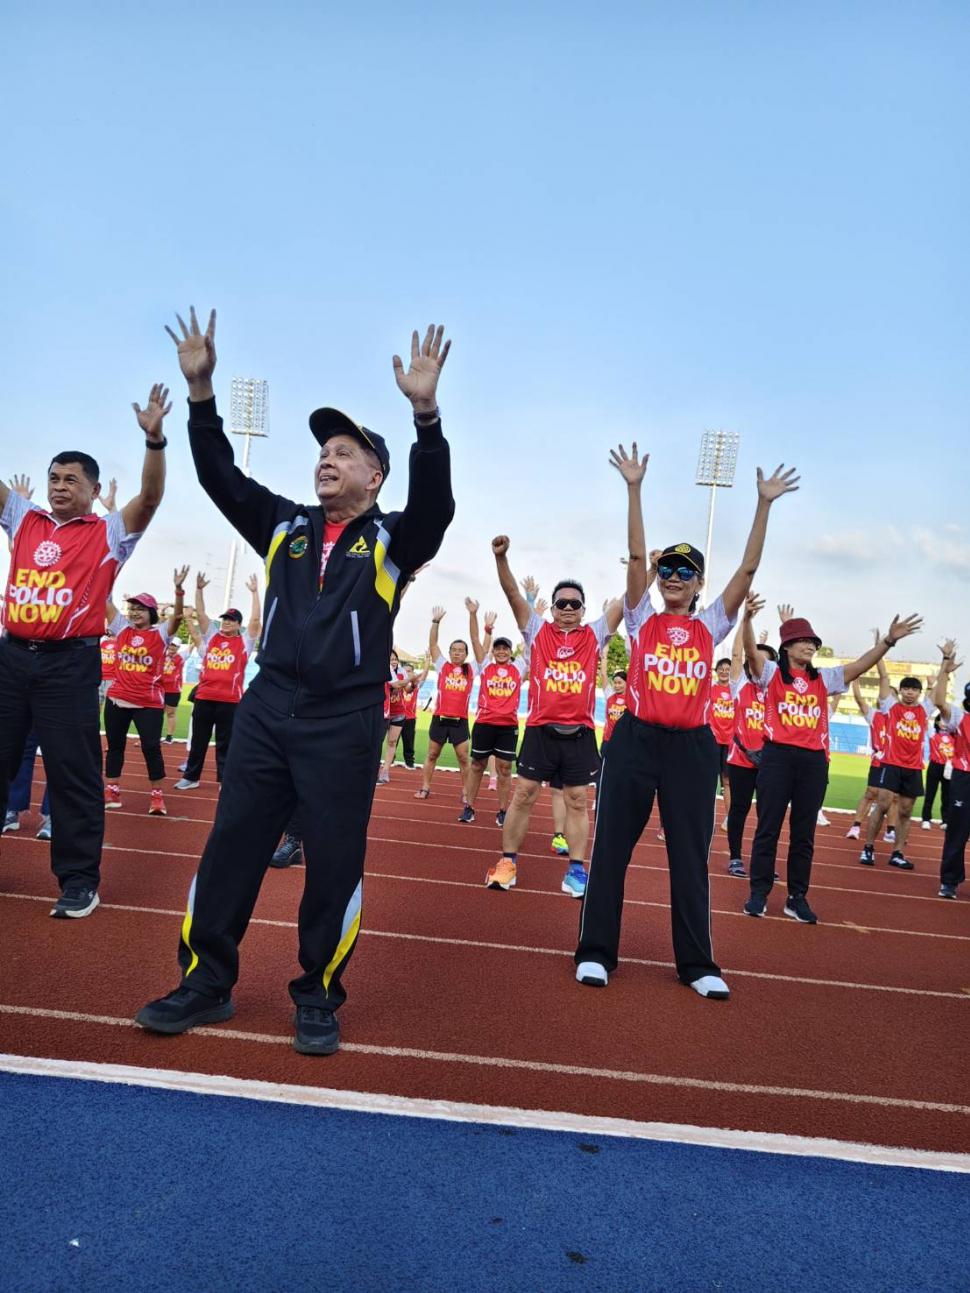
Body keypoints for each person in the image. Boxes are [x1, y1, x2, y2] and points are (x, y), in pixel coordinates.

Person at [136, 309, 453, 1057]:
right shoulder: (284, 525)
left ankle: (317, 995)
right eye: (323, 451)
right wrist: (202, 394)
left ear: (375, 476)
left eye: (344, 452)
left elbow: (437, 508)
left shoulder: (393, 540)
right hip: (267, 707)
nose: (326, 460)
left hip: (345, 719)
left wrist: (426, 418)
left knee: (334, 862)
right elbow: (219, 477)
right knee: (231, 847)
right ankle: (206, 982)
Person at [575, 446, 797, 997]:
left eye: (686, 572)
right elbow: (635, 558)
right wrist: (634, 488)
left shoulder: (712, 625)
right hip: (635, 740)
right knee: (611, 850)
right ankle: (596, 951)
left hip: (692, 749)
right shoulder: (640, 618)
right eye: (668, 570)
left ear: (698, 584)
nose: (674, 577)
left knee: (690, 858)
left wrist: (763, 505)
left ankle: (697, 964)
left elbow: (747, 570)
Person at [0, 386, 169, 918]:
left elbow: (150, 498)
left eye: (71, 480)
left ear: (95, 490)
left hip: (68, 665)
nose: (59, 486)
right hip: (11, 659)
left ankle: (78, 882)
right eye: (54, 477)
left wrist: (154, 441)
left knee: (73, 774)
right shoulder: (24, 518)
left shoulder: (109, 532)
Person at [745, 612, 921, 923]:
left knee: (804, 835)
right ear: (786, 646)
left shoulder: (823, 679)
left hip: (813, 762)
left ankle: (796, 897)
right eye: (803, 641)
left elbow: (860, 665)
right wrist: (746, 619)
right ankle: (759, 892)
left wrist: (888, 641)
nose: (810, 646)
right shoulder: (771, 673)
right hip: (777, 758)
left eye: (813, 642)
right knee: (768, 829)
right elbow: (750, 653)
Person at [488, 537, 623, 897]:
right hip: (540, 731)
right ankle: (507, 863)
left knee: (577, 800)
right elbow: (512, 593)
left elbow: (629, 602)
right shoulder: (537, 631)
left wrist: (650, 569)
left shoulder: (594, 634)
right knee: (524, 795)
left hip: (580, 733)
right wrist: (501, 558)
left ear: (583, 609)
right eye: (561, 602)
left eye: (574, 603)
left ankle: (576, 871)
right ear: (552, 608)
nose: (567, 608)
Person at [102, 569, 188, 816]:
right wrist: (109, 570)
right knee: (114, 747)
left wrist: (178, 591)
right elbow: (105, 599)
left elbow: (178, 617)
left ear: (151, 612)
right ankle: (112, 790)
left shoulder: (160, 633)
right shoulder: (121, 628)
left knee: (151, 748)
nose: (134, 612)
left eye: (140, 609)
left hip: (148, 702)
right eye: (132, 608)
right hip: (117, 699)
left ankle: (157, 796)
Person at [174, 571, 261, 789]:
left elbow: (255, 620)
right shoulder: (212, 636)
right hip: (204, 697)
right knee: (198, 741)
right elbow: (201, 613)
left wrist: (254, 593)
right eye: (225, 619)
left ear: (238, 624)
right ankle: (191, 777)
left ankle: (224, 780)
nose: (227, 623)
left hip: (229, 701)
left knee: (225, 744)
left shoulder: (244, 642)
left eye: (231, 620)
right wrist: (199, 590)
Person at [859, 658, 934, 870]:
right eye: (906, 689)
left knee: (906, 811)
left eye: (914, 689)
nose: (910, 692)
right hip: (891, 764)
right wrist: (881, 651)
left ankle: (898, 853)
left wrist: (946, 663)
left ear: (919, 693)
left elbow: (936, 693)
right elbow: (884, 677)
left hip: (914, 768)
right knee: (882, 805)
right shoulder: (891, 706)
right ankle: (868, 848)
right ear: (900, 691)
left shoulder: (925, 710)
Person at [724, 594, 775, 878]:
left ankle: (764, 862)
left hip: (773, 762)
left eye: (767, 661)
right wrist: (745, 620)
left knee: (769, 815)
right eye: (756, 658)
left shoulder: (778, 689)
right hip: (741, 760)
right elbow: (737, 654)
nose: (760, 664)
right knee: (739, 810)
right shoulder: (740, 685)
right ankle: (735, 857)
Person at [464, 601, 526, 827]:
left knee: (505, 769)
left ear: (510, 651)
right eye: (498, 648)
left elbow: (531, 641)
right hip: (484, 723)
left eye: (505, 648)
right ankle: (469, 807)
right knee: (477, 765)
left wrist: (531, 606)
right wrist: (474, 615)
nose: (501, 651)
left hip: (508, 726)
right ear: (493, 651)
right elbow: (474, 640)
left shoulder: (519, 668)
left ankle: (502, 811)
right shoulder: (485, 667)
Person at [414, 606, 473, 800]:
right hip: (440, 719)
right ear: (449, 652)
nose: (457, 653)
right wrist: (435, 622)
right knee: (432, 755)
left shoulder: (471, 669)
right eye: (454, 650)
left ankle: (466, 792)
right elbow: (433, 645)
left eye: (460, 651)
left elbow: (484, 649)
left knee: (463, 758)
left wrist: (484, 627)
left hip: (460, 721)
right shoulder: (443, 666)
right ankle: (425, 788)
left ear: (466, 654)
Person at [845, 653, 898, 841]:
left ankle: (891, 830)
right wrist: (855, 682)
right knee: (870, 793)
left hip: (896, 761)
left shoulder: (900, 715)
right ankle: (856, 827)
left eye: (891, 694)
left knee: (895, 797)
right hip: (879, 759)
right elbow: (860, 701)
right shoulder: (874, 715)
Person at [932, 644, 967, 898]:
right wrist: (945, 667)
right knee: (957, 832)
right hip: (964, 778)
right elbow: (939, 700)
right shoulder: (960, 717)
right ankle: (949, 881)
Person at [709, 655, 735, 825]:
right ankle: (706, 816)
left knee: (727, 781)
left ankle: (729, 819)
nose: (724, 672)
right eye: (721, 669)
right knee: (709, 780)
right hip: (713, 740)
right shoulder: (711, 689)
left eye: (727, 670)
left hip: (730, 742)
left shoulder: (736, 690)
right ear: (716, 671)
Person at [377, 650, 410, 783]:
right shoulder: (382, 669)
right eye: (391, 659)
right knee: (377, 742)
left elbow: (408, 689)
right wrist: (410, 679)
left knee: (392, 742)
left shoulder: (402, 672)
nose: (394, 661)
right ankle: (373, 769)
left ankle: (385, 771)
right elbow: (397, 684)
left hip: (398, 713)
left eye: (395, 659)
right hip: (383, 712)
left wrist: (413, 682)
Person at [921, 712, 954, 830]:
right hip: (935, 766)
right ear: (937, 722)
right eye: (942, 720)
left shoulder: (955, 736)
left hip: (949, 768)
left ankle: (945, 820)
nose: (944, 723)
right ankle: (926, 819)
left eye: (947, 721)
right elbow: (925, 719)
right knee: (930, 794)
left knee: (947, 796)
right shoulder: (932, 733)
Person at [162, 638, 186, 742]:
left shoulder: (182, 656)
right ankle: (152, 736)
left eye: (174, 645)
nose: (172, 647)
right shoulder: (162, 654)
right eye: (171, 644)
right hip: (160, 689)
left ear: (178, 647)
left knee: (171, 713)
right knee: (156, 714)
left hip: (173, 690)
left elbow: (195, 642)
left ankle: (169, 737)